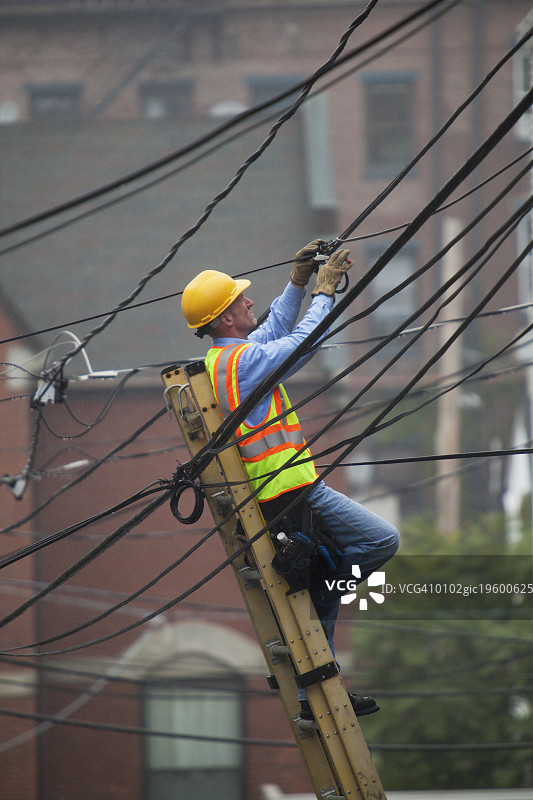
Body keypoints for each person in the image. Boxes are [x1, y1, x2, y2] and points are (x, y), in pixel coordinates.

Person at [181, 240, 399, 718]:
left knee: (336, 568)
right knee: (381, 541)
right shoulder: (241, 365)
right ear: (224, 320)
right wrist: (324, 293)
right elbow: (301, 343)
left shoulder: (230, 359)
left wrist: (299, 281)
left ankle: (310, 693)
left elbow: (276, 327)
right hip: (291, 491)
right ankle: (324, 594)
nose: (249, 302)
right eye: (240, 301)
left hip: (287, 492)